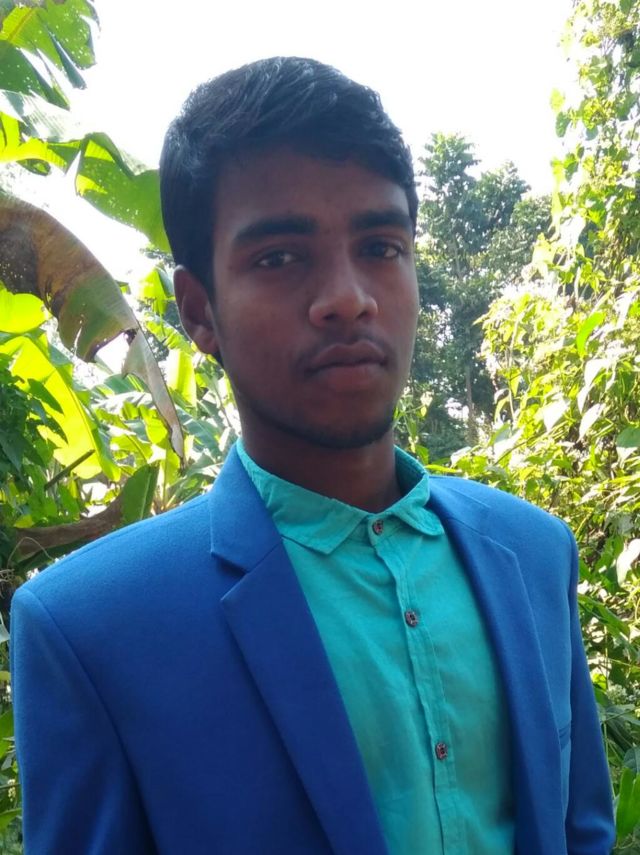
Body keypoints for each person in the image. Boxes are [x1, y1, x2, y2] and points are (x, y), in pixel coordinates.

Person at [11, 57, 614, 855]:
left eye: (381, 246)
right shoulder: (93, 629)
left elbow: (578, 830)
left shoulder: (533, 551)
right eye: (280, 257)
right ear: (199, 311)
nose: (348, 297)